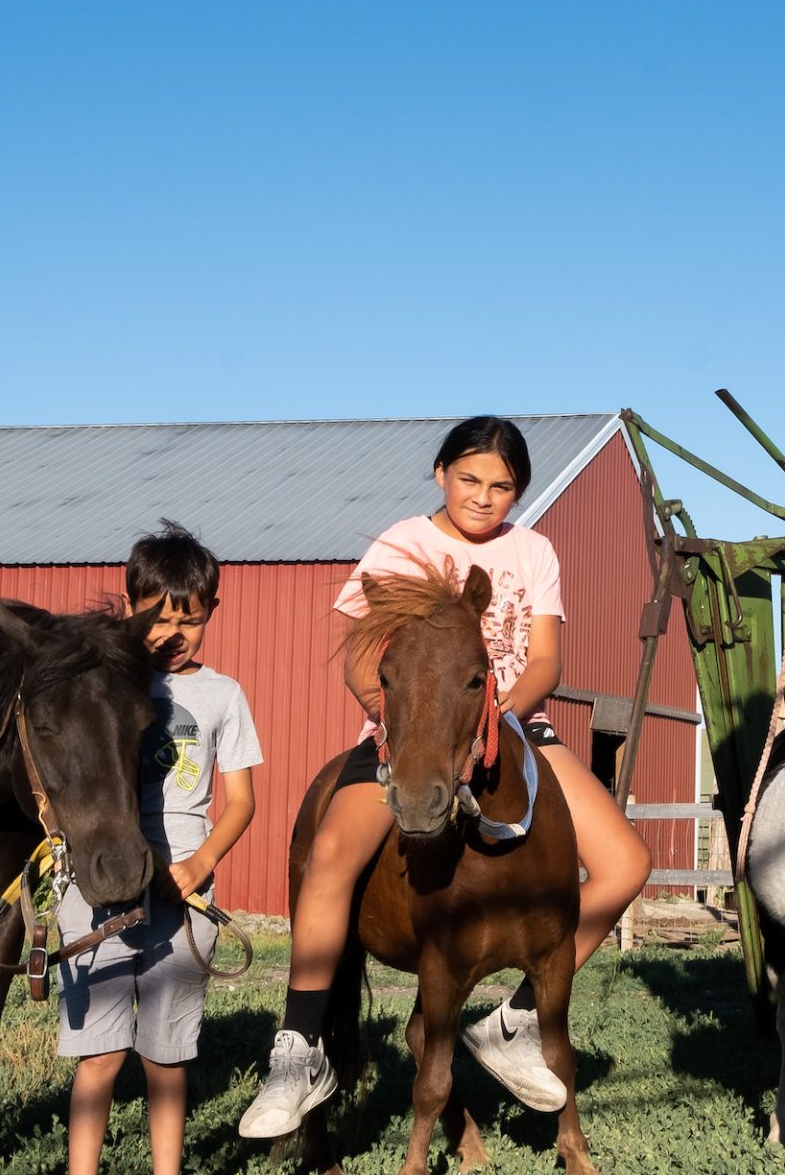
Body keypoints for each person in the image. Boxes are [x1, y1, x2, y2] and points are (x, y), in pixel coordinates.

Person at [236, 417, 652, 1138]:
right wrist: (400, 725)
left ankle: (515, 1019)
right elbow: (362, 661)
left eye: (502, 487)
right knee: (330, 853)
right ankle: (299, 1049)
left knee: (626, 864)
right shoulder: (403, 546)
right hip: (410, 737)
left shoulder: (534, 550)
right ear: (440, 473)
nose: (484, 498)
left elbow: (546, 661)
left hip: (514, 724)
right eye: (470, 480)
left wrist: (499, 722)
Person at [56, 522, 262, 1175]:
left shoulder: (222, 695)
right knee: (98, 1054)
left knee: (166, 1056)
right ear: (129, 602)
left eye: (191, 616)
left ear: (211, 611)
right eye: (159, 614)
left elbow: (239, 801)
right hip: (99, 894)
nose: (174, 631)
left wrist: (203, 860)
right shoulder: (99, 683)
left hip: (183, 898)